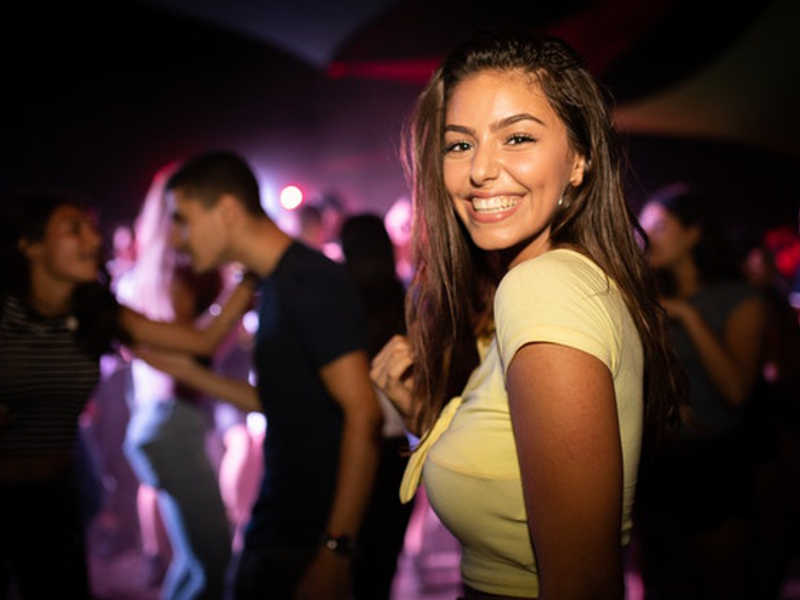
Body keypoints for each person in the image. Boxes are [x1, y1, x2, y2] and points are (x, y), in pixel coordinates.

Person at [370, 31, 681, 600]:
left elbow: (583, 581)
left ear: (580, 160)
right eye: (459, 145)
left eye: (517, 137)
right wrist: (424, 413)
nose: (481, 170)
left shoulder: (543, 287)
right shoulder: (557, 281)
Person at [135, 151, 382, 600]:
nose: (177, 239)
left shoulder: (310, 280)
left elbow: (363, 415)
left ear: (227, 209)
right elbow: (281, 400)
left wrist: (335, 551)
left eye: (183, 220)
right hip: (279, 522)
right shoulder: (271, 282)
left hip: (308, 535)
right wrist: (173, 366)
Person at [0, 190, 254, 599]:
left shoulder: (96, 312)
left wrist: (251, 279)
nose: (92, 240)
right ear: (30, 246)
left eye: (91, 229)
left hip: (58, 494)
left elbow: (201, 341)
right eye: (74, 230)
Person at [636, 184, 767, 599]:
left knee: (718, 584)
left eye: (658, 226)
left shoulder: (740, 300)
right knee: (659, 583)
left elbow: (736, 390)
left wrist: (689, 317)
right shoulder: (647, 299)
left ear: (693, 233)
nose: (647, 236)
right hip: (656, 464)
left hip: (715, 465)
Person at [339, 214, 415, 600]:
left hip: (351, 441)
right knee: (383, 561)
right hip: (400, 439)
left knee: (350, 559)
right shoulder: (406, 301)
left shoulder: (337, 305)